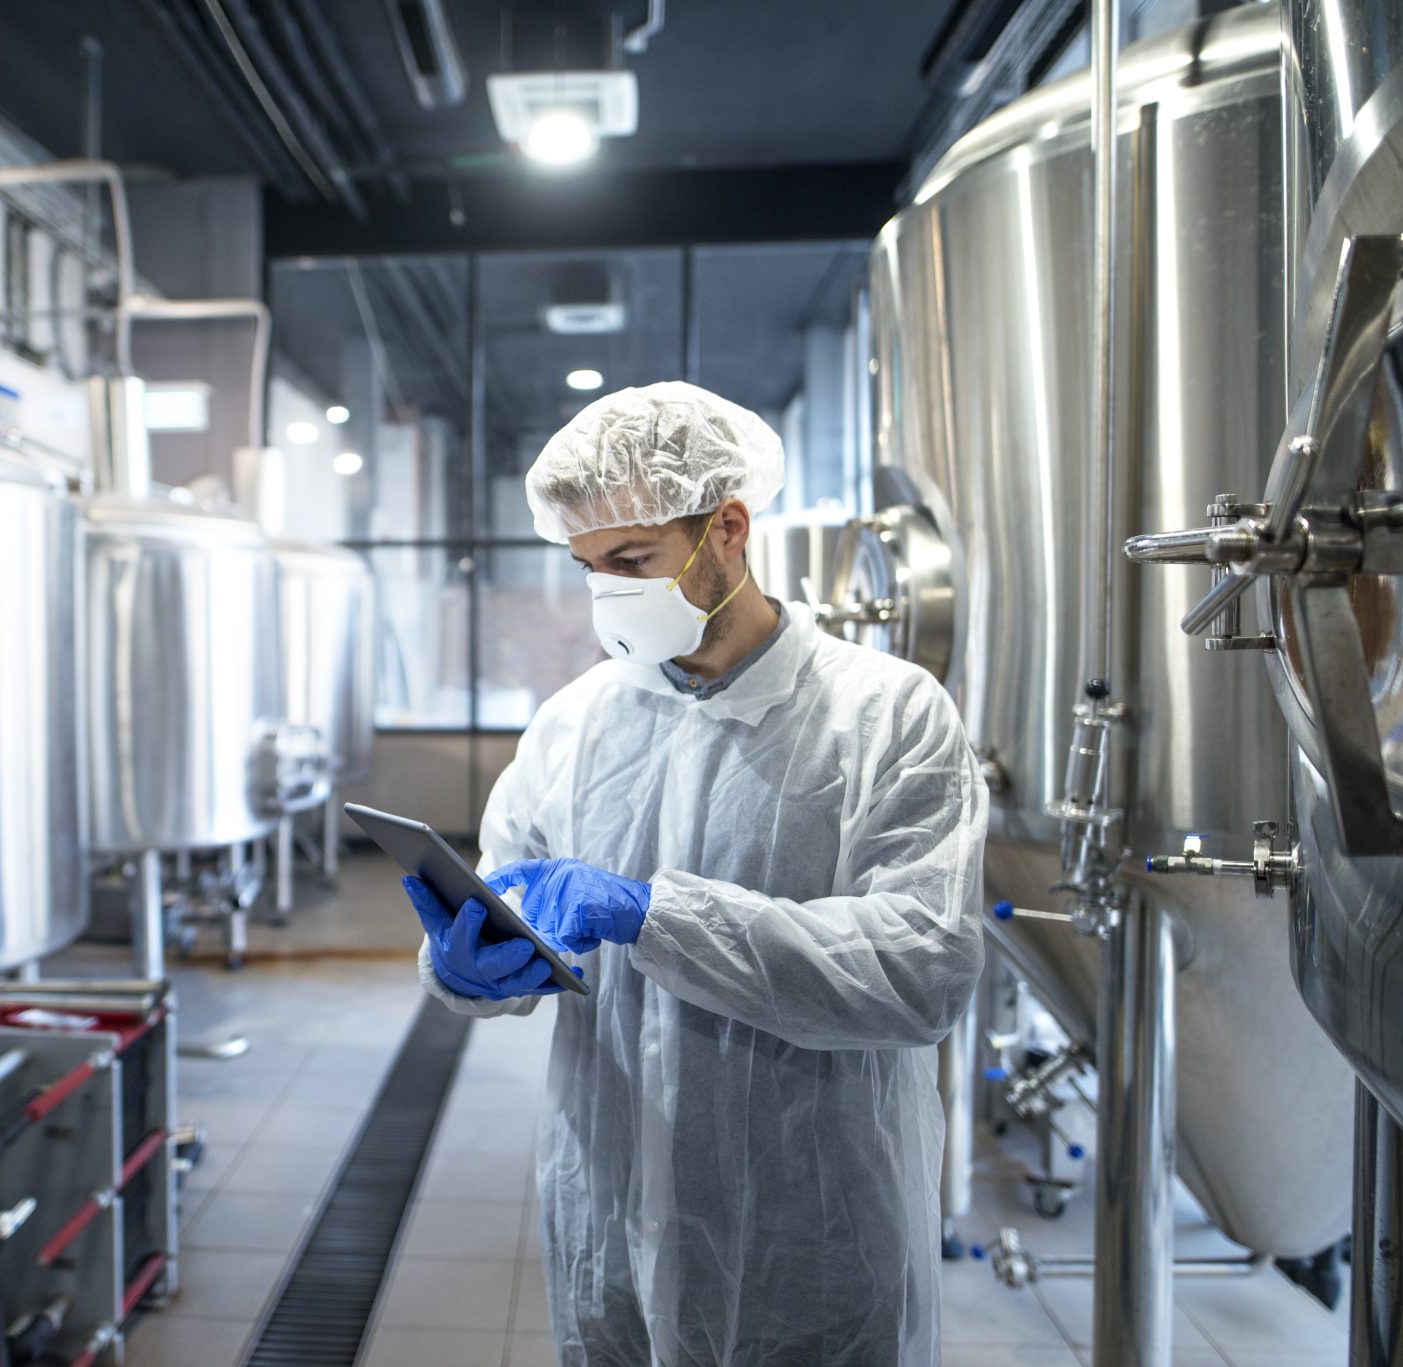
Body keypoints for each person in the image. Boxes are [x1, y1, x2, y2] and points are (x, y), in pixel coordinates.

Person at [403, 382, 988, 1366]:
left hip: (815, 1235)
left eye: (630, 560)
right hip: (608, 1225)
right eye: (588, 568)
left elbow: (920, 969)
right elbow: (506, 894)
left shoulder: (885, 713)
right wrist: (463, 966)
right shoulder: (573, 723)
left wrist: (650, 913)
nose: (608, 595)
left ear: (726, 527)